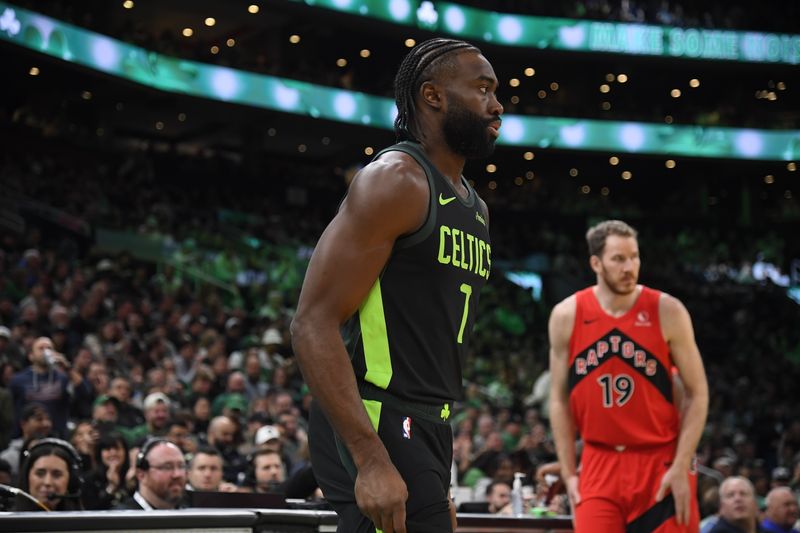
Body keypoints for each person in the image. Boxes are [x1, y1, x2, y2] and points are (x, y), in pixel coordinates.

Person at [292, 36, 502, 533]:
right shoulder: (395, 180)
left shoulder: (475, 205)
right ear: (433, 96)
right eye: (483, 88)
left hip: (429, 420)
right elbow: (311, 323)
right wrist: (370, 458)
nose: (497, 105)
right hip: (377, 413)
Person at [548, 220, 709, 532]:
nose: (629, 267)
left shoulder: (668, 310)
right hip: (598, 461)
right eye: (618, 259)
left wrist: (681, 464)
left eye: (634, 257)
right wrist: (569, 472)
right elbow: (558, 399)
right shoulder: (567, 315)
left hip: (659, 459)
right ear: (596, 263)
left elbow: (698, 392)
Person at [14, 438, 85, 511]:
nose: (47, 482)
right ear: (27, 477)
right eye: (40, 474)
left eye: (57, 475)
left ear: (71, 481)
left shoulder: (87, 521)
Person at [115, 438, 186, 510]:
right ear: (141, 475)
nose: (177, 474)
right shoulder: (121, 518)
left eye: (181, 466)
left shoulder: (191, 513)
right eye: (167, 467)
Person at [82, 431, 131, 510]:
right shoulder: (90, 480)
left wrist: (130, 487)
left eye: (117, 448)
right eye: (108, 449)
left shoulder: (132, 478)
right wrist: (111, 487)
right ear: (100, 454)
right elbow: (92, 512)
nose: (113, 453)